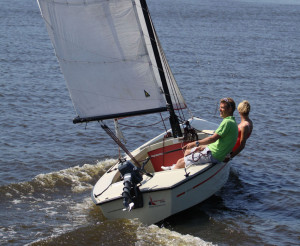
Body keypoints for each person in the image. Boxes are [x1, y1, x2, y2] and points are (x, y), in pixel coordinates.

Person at [161, 98, 238, 170]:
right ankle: (179, 167)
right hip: (214, 152)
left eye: (222, 107)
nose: (219, 109)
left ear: (230, 109)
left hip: (214, 155)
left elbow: (212, 139)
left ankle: (173, 171)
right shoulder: (233, 122)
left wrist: (195, 143)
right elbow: (219, 142)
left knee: (180, 161)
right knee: (188, 151)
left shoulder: (227, 122)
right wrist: (203, 146)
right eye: (220, 107)